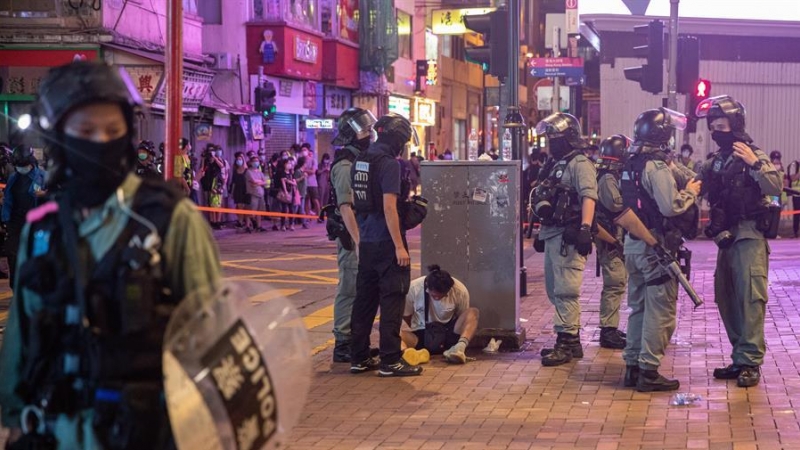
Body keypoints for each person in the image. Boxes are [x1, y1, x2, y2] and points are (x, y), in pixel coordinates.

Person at [0, 61, 221, 449]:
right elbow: (22, 333)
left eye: (112, 130)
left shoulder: (170, 219)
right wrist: (13, 418)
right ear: (57, 136)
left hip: (149, 432)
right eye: (85, 131)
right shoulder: (42, 228)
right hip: (60, 431)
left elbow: (212, 335)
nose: (100, 140)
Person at [695, 95, 783, 388]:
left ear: (736, 125)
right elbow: (696, 184)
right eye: (714, 126)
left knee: (750, 298)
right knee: (726, 297)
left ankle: (750, 361)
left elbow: (774, 186)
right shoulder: (715, 162)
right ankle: (739, 355)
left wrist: (755, 163)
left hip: (749, 237)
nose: (717, 131)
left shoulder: (752, 154)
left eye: (722, 125)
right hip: (725, 238)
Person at [619, 107, 701, 392]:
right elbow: (670, 206)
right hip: (655, 247)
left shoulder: (631, 162)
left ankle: (632, 367)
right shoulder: (655, 166)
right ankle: (649, 371)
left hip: (633, 245)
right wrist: (691, 191)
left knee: (638, 308)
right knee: (660, 312)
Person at [349, 112, 422, 377]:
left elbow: (357, 203)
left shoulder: (361, 159)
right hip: (386, 242)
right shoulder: (390, 163)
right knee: (392, 299)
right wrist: (399, 247)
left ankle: (359, 357)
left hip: (367, 240)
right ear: (398, 138)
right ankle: (390, 360)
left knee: (364, 301)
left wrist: (360, 239)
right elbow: (389, 207)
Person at [531, 112, 597, 367]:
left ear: (568, 138)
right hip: (552, 233)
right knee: (553, 289)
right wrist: (539, 232)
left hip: (568, 235)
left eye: (554, 138)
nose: (550, 143)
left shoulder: (580, 163)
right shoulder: (556, 163)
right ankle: (571, 340)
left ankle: (566, 342)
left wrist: (584, 228)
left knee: (566, 290)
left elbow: (588, 196)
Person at [327, 107, 376, 362]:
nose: (370, 135)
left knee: (361, 290)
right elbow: (346, 208)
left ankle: (357, 341)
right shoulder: (345, 166)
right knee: (349, 289)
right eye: (366, 131)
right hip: (351, 239)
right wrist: (359, 243)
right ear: (351, 134)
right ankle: (343, 343)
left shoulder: (360, 160)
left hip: (362, 236)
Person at [400, 265, 479, 364]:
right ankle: (409, 355)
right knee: (392, 332)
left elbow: (462, 317)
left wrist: (458, 339)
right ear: (428, 288)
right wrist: (417, 327)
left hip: (449, 334)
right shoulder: (413, 289)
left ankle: (459, 348)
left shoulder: (460, 290)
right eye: (434, 296)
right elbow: (406, 315)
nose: (437, 298)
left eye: (441, 296)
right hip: (422, 335)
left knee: (473, 312)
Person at [594, 135, 629, 349]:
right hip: (610, 237)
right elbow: (615, 204)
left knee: (618, 281)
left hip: (612, 236)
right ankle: (608, 331)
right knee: (615, 282)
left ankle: (611, 328)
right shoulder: (607, 177)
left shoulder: (608, 173)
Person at [1, 146, 46, 285]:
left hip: (37, 222)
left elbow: (58, 197)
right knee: (13, 254)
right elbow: (8, 200)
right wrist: (5, 220)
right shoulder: (13, 178)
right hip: (16, 221)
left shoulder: (43, 176)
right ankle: (15, 285)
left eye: (23, 165)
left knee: (36, 255)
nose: (21, 168)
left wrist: (46, 194)